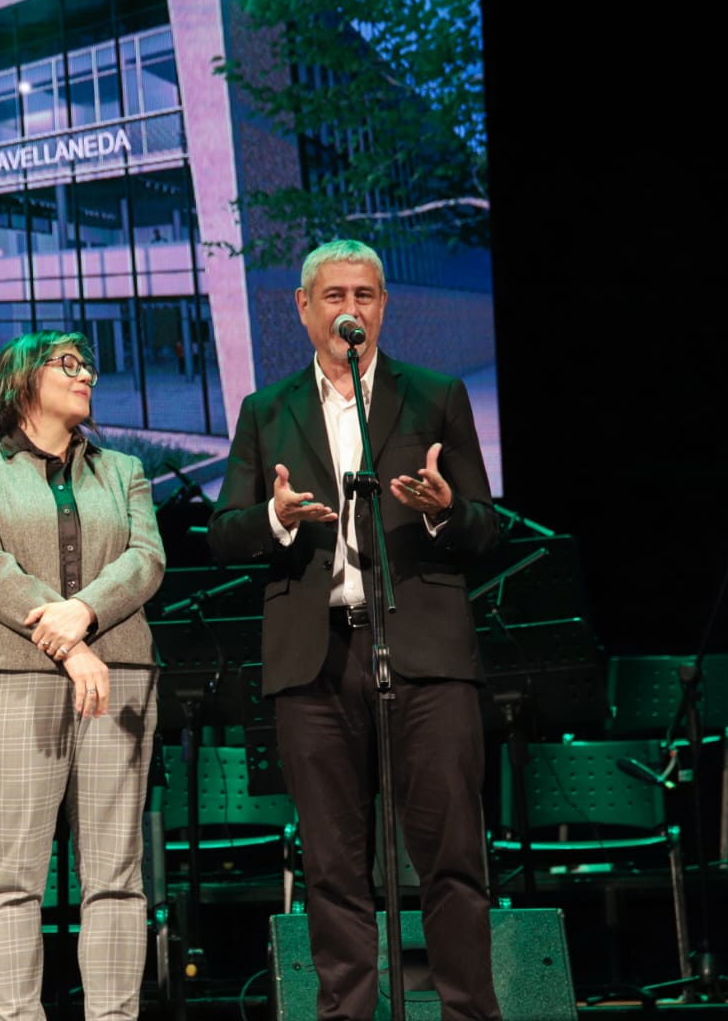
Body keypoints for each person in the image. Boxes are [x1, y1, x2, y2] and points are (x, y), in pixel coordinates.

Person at [207, 239, 500, 1020]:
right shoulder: (266, 411)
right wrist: (274, 516)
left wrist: (444, 511)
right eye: (333, 295)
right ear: (303, 308)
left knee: (452, 860)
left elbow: (488, 527)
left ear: (382, 307)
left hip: (425, 655)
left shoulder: (433, 396)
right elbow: (224, 534)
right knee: (334, 866)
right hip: (316, 661)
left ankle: (471, 1011)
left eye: (364, 295)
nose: (350, 309)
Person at [0, 331, 165, 1020]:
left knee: (117, 877)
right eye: (68, 363)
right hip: (11, 677)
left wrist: (86, 613)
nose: (87, 373)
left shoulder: (122, 470)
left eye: (88, 362)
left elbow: (145, 559)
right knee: (12, 876)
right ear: (21, 380)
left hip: (120, 676)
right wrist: (69, 645)